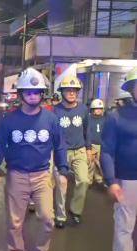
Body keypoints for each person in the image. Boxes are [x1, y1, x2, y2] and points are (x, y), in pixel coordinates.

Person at [0, 68, 68, 251]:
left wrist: (63, 170)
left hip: (42, 175)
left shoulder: (51, 120)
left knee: (47, 219)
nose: (33, 96)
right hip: (17, 176)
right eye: (28, 92)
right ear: (21, 94)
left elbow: (60, 146)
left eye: (37, 92)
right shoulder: (8, 120)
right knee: (15, 223)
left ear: (42, 94)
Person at [101, 68, 137, 251]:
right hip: (127, 178)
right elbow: (107, 150)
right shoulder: (117, 117)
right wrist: (112, 181)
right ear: (132, 89)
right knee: (125, 223)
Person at [53, 75, 91, 228]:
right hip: (61, 153)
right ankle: (60, 216)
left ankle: (76, 211)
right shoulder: (55, 111)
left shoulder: (83, 109)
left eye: (75, 91)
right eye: (68, 90)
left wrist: (88, 149)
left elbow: (87, 130)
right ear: (62, 92)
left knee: (84, 180)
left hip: (80, 151)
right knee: (61, 185)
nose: (72, 93)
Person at [88, 98, 106, 186]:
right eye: (96, 109)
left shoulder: (105, 119)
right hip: (92, 144)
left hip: (101, 144)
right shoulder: (89, 119)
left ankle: (99, 179)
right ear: (92, 110)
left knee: (100, 163)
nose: (98, 111)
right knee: (91, 163)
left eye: (100, 109)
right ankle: (89, 180)